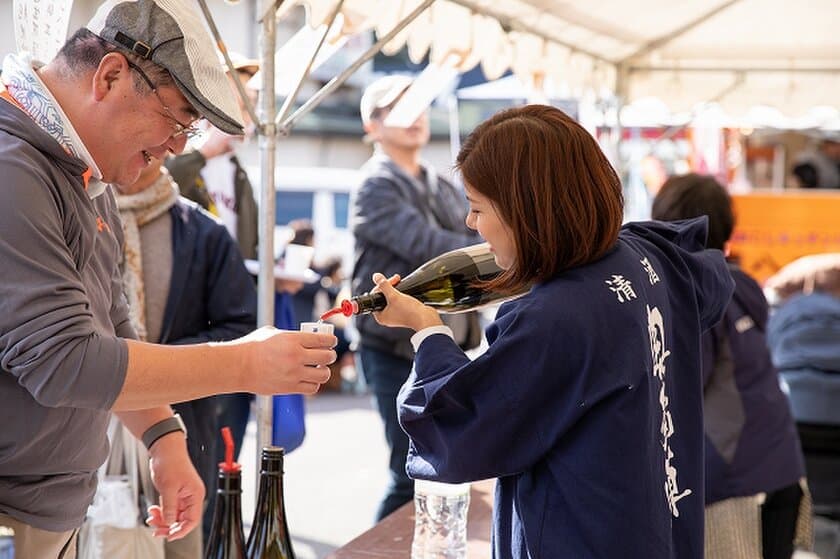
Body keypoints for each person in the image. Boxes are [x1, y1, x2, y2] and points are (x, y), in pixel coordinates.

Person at [0, 1, 335, 556]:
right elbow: (65, 361)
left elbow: (114, 330)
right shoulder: (14, 167)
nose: (178, 148)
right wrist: (245, 362)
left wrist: (164, 437)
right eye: (178, 121)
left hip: (46, 510)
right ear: (109, 75)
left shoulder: (83, 173)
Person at [369, 104, 734, 558]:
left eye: (478, 208)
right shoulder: (645, 256)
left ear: (528, 213)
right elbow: (713, 274)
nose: (470, 224)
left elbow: (460, 428)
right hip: (656, 527)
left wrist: (426, 329)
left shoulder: (555, 317)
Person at [651, 173, 808, 559]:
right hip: (783, 465)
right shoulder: (742, 284)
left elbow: (678, 392)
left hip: (733, 483)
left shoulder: (693, 297)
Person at [351, 74, 482, 520]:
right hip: (391, 344)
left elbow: (466, 239)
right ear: (372, 125)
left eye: (418, 105)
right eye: (395, 108)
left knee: (441, 466)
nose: (413, 116)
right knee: (409, 469)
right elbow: (435, 246)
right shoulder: (374, 184)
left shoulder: (441, 183)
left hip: (444, 341)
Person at [112, 156, 257, 557]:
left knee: (180, 538)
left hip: (182, 423)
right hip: (88, 427)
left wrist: (154, 368)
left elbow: (241, 329)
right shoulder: (81, 214)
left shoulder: (204, 233)